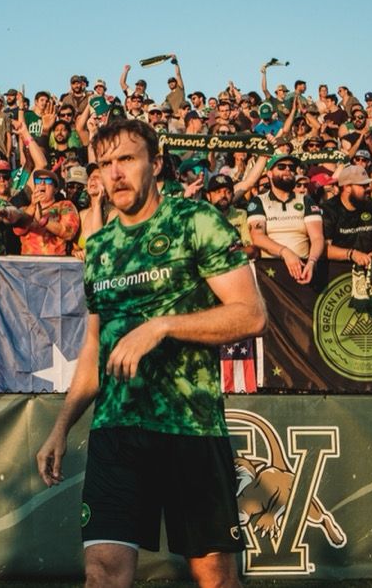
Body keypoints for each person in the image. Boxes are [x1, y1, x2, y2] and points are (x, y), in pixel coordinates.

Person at [36, 119, 266, 588]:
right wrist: (61, 427)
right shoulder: (99, 246)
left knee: (215, 578)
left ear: (155, 163)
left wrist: (162, 326)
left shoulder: (195, 221)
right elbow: (94, 346)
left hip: (191, 427)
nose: (115, 173)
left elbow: (251, 315)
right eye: (106, 163)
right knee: (102, 574)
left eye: (127, 159)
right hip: (116, 430)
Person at [247, 153, 324, 284]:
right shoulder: (259, 201)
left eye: (291, 167)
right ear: (269, 173)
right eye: (281, 167)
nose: (288, 170)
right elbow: (257, 237)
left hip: (304, 266)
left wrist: (312, 261)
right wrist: (286, 252)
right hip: (271, 272)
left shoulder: (306, 200)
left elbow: (317, 237)